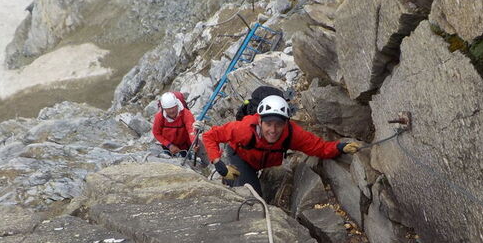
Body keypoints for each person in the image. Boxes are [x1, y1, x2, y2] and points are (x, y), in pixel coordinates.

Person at [202, 92, 361, 195]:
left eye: (278, 124)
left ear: (285, 123)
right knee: (253, 197)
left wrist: (339, 147)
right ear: (260, 120)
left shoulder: (291, 134)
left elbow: (317, 147)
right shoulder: (244, 129)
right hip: (240, 157)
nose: (273, 129)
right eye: (268, 124)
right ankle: (232, 182)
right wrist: (219, 164)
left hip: (261, 161)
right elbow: (210, 136)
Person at [152, 91, 197, 156]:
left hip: (185, 146)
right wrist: (169, 145)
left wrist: (194, 143)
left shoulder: (186, 114)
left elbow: (191, 130)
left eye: (173, 107)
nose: (171, 111)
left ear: (177, 105)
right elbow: (156, 133)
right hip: (167, 146)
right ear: (164, 108)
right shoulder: (159, 117)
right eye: (168, 109)